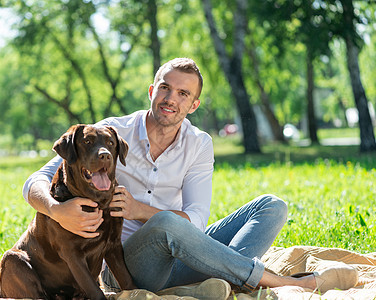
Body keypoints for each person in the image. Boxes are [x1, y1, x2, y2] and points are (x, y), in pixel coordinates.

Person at [22, 58, 347, 297]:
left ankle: (217, 284)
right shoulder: (111, 134)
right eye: (165, 88)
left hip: (182, 252)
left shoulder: (199, 144)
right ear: (152, 90)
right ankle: (285, 282)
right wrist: (54, 209)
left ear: (194, 105)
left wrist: (138, 209)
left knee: (272, 206)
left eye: (182, 94)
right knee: (165, 223)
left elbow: (196, 219)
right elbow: (35, 181)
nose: (171, 99)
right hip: (125, 264)